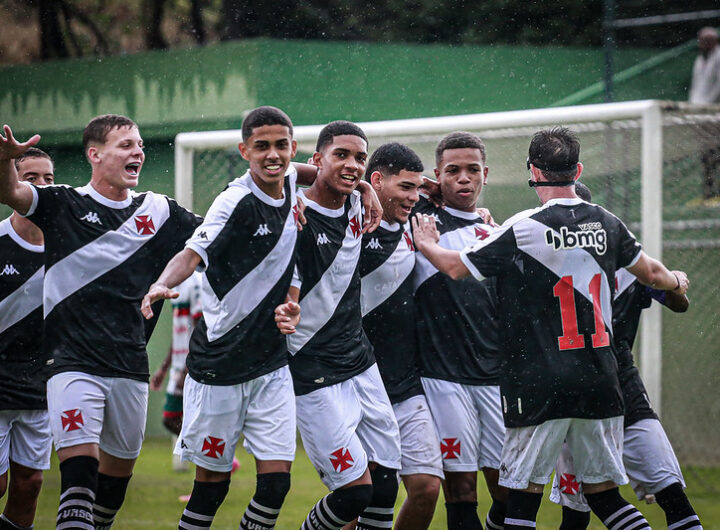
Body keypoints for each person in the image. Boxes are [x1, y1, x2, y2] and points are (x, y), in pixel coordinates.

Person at [411, 127, 690, 530]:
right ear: (577, 169)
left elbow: (456, 267)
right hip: (600, 379)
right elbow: (653, 273)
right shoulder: (608, 223)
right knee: (605, 497)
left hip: (542, 381)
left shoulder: (524, 226)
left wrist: (427, 245)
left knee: (522, 502)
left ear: (532, 170)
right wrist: (677, 283)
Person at [0, 116, 202, 529]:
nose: (138, 152)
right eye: (126, 145)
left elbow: (216, 234)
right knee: (79, 476)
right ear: (95, 154)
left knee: (108, 493)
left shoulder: (159, 211)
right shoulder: (62, 204)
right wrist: (5, 161)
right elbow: (13, 192)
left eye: (140, 144)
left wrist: (293, 184)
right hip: (70, 364)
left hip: (129, 365)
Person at [142, 106, 305, 530]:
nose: (274, 155)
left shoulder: (290, 179)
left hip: (272, 364)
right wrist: (162, 284)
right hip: (219, 367)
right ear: (244, 150)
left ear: (292, 147)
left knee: (275, 486)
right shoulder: (233, 201)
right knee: (210, 489)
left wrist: (365, 186)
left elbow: (315, 174)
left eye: (281, 145)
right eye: (262, 146)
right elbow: (191, 253)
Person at [550, 181, 703, 530]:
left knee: (669, 493)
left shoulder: (628, 267)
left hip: (618, 390)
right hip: (575, 394)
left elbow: (678, 303)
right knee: (578, 510)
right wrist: (674, 283)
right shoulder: (547, 267)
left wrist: (672, 284)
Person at [282, 121, 402, 530]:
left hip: (361, 363)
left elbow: (408, 182)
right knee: (354, 493)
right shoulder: (288, 207)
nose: (352, 165)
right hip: (310, 367)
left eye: (359, 158)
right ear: (316, 160)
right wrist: (356, 183)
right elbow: (260, 173)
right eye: (341, 155)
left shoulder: (357, 204)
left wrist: (366, 187)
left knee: (386, 486)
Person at [413, 131, 507, 530]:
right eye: (452, 171)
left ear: (485, 174)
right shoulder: (419, 225)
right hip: (443, 379)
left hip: (496, 379)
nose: (463, 179)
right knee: (462, 490)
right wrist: (422, 187)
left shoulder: (499, 232)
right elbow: (381, 178)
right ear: (438, 175)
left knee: (509, 491)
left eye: (472, 170)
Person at [359, 142, 443, 530]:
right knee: (364, 496)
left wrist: (430, 186)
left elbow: (427, 192)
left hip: (406, 382)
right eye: (405, 188)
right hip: (357, 380)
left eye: (417, 188)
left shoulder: (418, 220)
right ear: (375, 181)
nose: (414, 196)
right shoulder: (350, 219)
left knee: (426, 488)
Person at [0, 148, 54, 530]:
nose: (42, 186)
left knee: (29, 483)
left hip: (41, 384)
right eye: (31, 177)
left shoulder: (67, 245)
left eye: (49, 179)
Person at [149, 272, 202, 472]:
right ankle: (211, 456)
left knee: (174, 418)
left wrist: (189, 366)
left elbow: (199, 327)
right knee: (173, 417)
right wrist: (164, 367)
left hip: (192, 366)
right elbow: (180, 329)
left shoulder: (197, 280)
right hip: (180, 364)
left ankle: (213, 459)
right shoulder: (177, 284)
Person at [689, 27, 720, 201]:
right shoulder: (700, 60)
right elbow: (696, 87)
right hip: (701, 116)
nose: (702, 44)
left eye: (706, 40)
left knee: (715, 153)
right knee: (706, 155)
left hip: (714, 115)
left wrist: (706, 105)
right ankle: (708, 193)